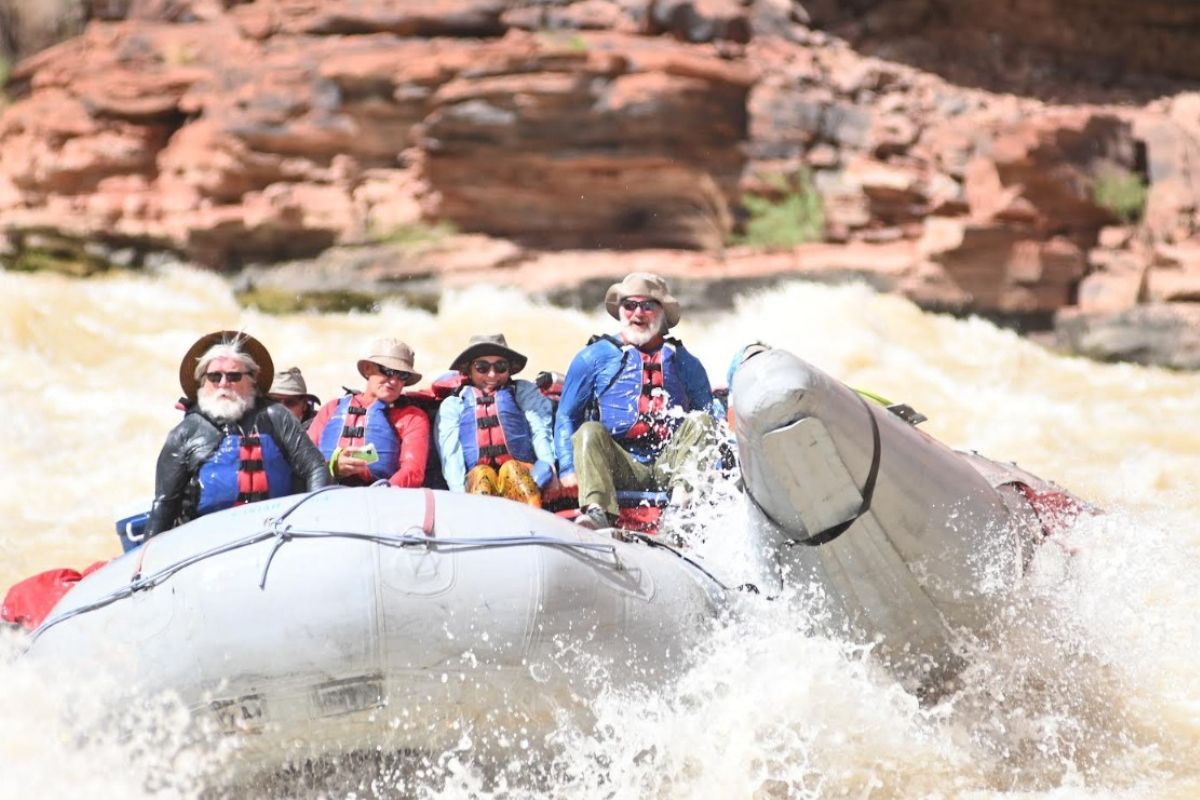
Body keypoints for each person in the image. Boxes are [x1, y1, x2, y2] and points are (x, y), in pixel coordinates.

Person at [554, 272, 716, 528]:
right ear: (621, 311)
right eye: (629, 306)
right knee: (589, 431)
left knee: (702, 420)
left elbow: (709, 415)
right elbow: (567, 415)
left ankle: (680, 509)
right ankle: (597, 512)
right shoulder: (593, 357)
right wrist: (566, 468)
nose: (637, 313)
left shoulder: (685, 361)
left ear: (662, 312)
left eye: (647, 306)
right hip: (620, 463)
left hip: (670, 462)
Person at [145, 331, 333, 538]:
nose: (224, 383)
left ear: (252, 379)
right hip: (207, 541)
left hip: (277, 532)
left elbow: (315, 468)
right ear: (202, 382)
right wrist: (147, 551)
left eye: (234, 376)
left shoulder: (276, 417)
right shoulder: (185, 433)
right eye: (215, 376)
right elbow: (165, 504)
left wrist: (315, 519)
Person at [434, 334, 556, 507]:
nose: (492, 374)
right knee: (482, 476)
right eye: (482, 367)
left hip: (522, 470)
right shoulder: (454, 404)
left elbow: (540, 430)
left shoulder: (522, 391)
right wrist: (458, 495)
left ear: (509, 368)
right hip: (476, 477)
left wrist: (549, 467)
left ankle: (533, 521)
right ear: (469, 370)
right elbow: (450, 453)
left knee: (512, 470)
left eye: (500, 366)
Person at [307, 338, 430, 487]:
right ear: (367, 368)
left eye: (402, 375)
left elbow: (413, 471)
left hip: (382, 497)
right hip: (328, 491)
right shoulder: (331, 408)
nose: (394, 381)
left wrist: (381, 493)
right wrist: (333, 467)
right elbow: (304, 461)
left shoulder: (412, 418)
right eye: (388, 371)